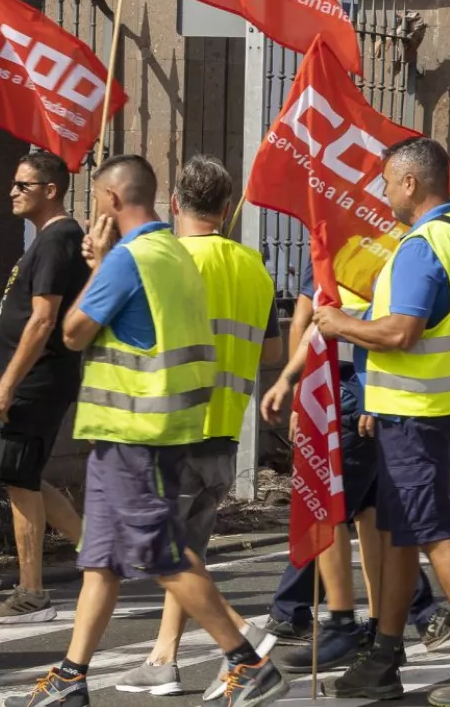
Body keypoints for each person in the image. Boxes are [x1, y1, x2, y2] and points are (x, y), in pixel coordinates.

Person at [7, 154, 285, 707]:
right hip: (178, 427)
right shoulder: (173, 254)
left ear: (110, 200)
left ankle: (245, 660)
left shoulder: (132, 256)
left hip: (135, 429)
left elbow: (74, 332)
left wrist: (99, 268)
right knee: (103, 559)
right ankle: (70, 676)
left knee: (160, 553)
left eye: (94, 198)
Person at [312, 137, 450, 705]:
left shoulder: (421, 246)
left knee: (429, 532)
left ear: (411, 183)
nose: (382, 194)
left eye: (385, 182)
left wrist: (336, 325)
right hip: (437, 406)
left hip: (416, 415)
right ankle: (383, 657)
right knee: (400, 531)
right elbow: (444, 319)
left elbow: (401, 332)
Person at [117, 157, 277, 696]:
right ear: (227, 209)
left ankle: (240, 633)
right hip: (225, 427)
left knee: (161, 549)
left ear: (174, 205)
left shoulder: (168, 260)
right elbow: (271, 349)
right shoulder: (253, 266)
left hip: (172, 425)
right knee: (188, 551)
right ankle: (164, 656)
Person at [258, 265, 450, 662]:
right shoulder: (375, 248)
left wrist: (326, 394)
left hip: (350, 395)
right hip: (364, 395)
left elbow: (329, 326)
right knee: (371, 515)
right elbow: (315, 326)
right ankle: (389, 631)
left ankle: (349, 625)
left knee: (332, 512)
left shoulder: (348, 249)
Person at [0, 152, 90, 625]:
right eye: (13, 183)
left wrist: (6, 386)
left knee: (18, 478)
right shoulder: (47, 239)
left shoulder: (58, 238)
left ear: (50, 190)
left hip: (34, 381)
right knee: (26, 475)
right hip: (33, 381)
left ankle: (32, 593)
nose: (12, 191)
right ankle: (99, 554)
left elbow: (43, 319)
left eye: (24, 185)